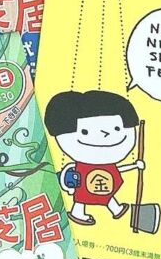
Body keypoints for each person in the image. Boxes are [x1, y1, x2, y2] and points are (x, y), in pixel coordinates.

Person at [44, 90, 144, 227]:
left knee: (107, 196)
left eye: (116, 128)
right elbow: (68, 173)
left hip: (106, 186)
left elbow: (118, 169)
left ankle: (117, 209)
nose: (105, 134)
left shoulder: (108, 163)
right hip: (84, 187)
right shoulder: (82, 164)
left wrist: (135, 165)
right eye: (85, 132)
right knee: (81, 199)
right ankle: (78, 213)